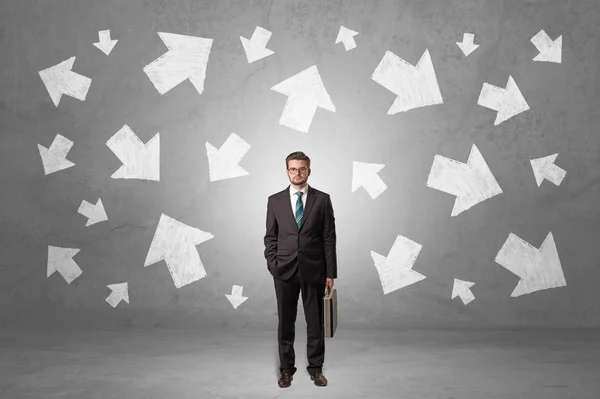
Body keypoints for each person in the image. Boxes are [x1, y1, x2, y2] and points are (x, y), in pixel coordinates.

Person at [264, 151, 337, 388]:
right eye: (293, 169)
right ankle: (286, 370)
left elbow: (328, 238)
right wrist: (272, 264)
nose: (297, 173)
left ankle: (316, 369)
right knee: (286, 323)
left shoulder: (322, 199)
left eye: (302, 168)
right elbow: (270, 237)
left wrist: (330, 272)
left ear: (309, 170)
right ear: (287, 171)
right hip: (283, 271)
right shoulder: (274, 201)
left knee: (315, 323)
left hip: (314, 270)